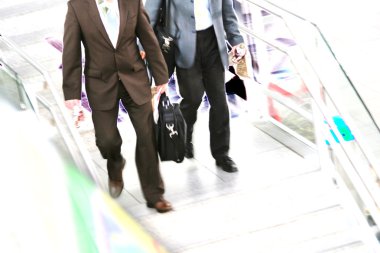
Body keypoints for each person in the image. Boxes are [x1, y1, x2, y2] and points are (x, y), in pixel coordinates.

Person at [62, 0, 173, 213]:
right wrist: (71, 93)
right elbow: (71, 49)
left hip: (134, 78)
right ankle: (115, 163)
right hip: (100, 82)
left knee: (147, 136)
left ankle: (155, 194)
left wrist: (161, 76)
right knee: (106, 140)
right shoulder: (77, 6)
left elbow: (148, 38)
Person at [145, 0, 246, 172]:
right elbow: (149, 15)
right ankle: (186, 133)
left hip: (213, 43)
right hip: (183, 45)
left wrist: (236, 40)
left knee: (220, 103)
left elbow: (227, 12)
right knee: (193, 98)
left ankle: (222, 154)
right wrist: (142, 46)